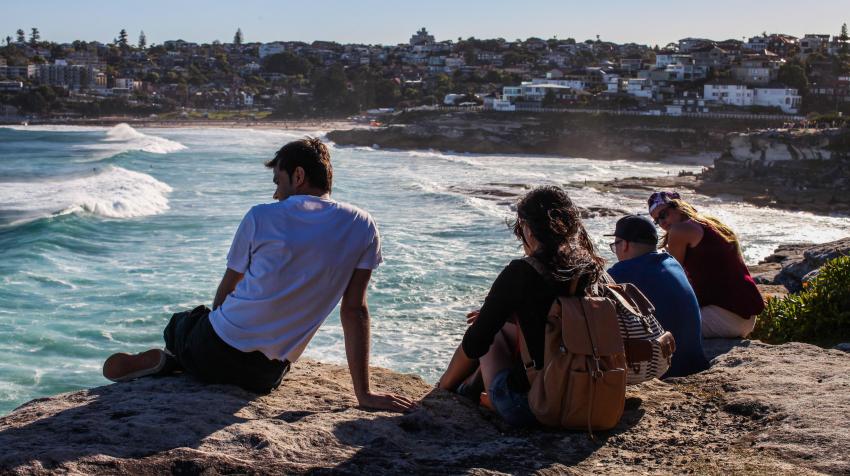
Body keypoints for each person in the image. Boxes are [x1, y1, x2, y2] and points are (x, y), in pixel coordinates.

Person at [102, 137, 415, 413]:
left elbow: (229, 285)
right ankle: (181, 360)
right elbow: (355, 309)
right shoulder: (363, 225)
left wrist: (213, 330)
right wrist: (364, 393)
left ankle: (174, 359)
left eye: (278, 181)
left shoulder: (261, 215)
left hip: (216, 347)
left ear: (299, 176)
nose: (276, 193)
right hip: (264, 375)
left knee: (181, 323)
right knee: (212, 346)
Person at [437, 186, 607, 427]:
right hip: (584, 395)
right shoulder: (588, 266)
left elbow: (476, 343)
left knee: (491, 335)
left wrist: (442, 389)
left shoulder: (522, 272)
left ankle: (454, 391)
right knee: (506, 328)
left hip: (532, 406)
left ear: (527, 228)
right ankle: (471, 391)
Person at [647, 191, 764, 339]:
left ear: (678, 206)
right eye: (657, 221)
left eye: (663, 214)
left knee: (652, 328)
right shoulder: (709, 223)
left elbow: (672, 277)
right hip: (743, 315)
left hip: (724, 317)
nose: (662, 223)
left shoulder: (679, 230)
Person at [606, 215, 710, 377]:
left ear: (625, 244)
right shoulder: (672, 262)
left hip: (665, 369)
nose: (616, 249)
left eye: (616, 244)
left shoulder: (620, 274)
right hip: (695, 362)